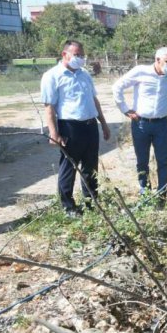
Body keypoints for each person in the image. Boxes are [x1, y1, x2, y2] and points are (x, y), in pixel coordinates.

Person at [112, 47, 167, 205]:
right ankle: (145, 192)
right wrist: (125, 109)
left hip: (161, 124)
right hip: (141, 123)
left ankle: (162, 193)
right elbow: (117, 87)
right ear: (157, 60)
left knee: (163, 161)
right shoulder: (141, 71)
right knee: (142, 161)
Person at [42, 40, 111, 217]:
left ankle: (91, 202)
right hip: (70, 128)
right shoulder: (52, 76)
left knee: (90, 167)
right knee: (69, 167)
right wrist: (54, 133)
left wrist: (103, 123)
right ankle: (68, 207)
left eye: (82, 55)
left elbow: (94, 100)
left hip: (90, 126)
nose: (80, 58)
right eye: (77, 55)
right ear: (65, 54)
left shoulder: (84, 74)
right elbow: (49, 107)